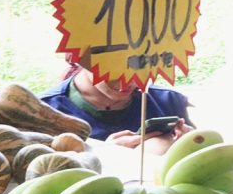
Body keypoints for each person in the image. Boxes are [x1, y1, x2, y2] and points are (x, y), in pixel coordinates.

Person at [40, 64, 194, 154]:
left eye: (140, 69)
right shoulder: (42, 112)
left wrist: (191, 143)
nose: (127, 82)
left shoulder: (168, 102)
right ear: (82, 60)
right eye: (113, 69)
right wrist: (101, 153)